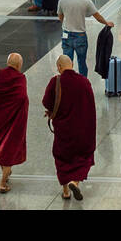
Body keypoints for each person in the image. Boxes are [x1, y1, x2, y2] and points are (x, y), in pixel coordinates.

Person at [42, 54, 96, 201]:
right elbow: (91, 106)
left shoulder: (56, 81)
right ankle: (75, 182)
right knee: (83, 157)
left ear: (59, 67)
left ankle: (66, 191)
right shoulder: (84, 82)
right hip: (82, 130)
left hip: (63, 130)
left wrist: (52, 111)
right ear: (71, 64)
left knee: (62, 158)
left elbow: (46, 102)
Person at [0, 53, 30, 193]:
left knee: (0, 147)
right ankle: (2, 183)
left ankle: (5, 172)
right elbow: (22, 98)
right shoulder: (20, 78)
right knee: (10, 150)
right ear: (18, 65)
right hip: (15, 120)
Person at [57, 0, 115, 77]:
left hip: (66, 35)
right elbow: (97, 16)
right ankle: (83, 83)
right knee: (82, 62)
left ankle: (66, 83)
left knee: (66, 63)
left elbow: (60, 15)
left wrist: (65, 24)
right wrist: (106, 23)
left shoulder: (62, 0)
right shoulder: (85, 1)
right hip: (80, 36)